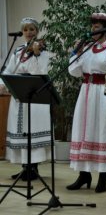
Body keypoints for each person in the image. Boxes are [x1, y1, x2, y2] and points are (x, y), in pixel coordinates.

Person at [66, 12, 106, 193]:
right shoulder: (88, 47)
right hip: (86, 92)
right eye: (92, 27)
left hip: (103, 93)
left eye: (97, 27)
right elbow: (74, 71)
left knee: (102, 131)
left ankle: (103, 176)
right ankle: (84, 175)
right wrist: (76, 51)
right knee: (84, 131)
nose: (93, 30)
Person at [0, 17, 51, 181]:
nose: (28, 32)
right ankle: (25, 167)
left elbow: (42, 71)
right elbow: (9, 70)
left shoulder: (43, 51)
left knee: (32, 130)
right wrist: (2, 83)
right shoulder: (19, 51)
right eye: (25, 29)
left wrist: (36, 54)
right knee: (21, 131)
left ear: (37, 31)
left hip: (35, 96)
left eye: (32, 29)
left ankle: (33, 168)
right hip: (19, 96)